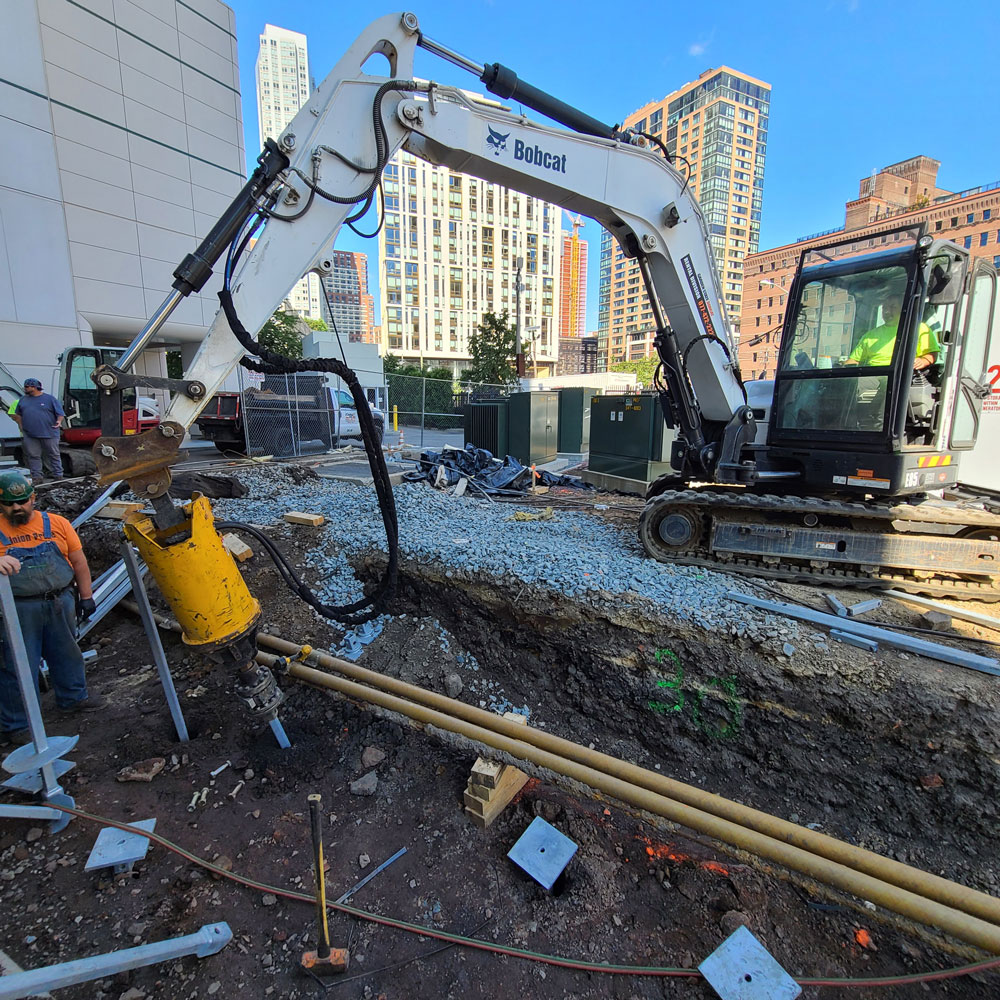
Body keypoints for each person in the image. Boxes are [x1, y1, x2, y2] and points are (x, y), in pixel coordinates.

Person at [0, 471, 100, 746]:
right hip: (17, 609)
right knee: (18, 665)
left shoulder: (56, 524)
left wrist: (86, 597)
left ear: (33, 498)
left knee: (67, 653)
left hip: (59, 601)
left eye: (22, 501)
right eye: (9, 503)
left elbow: (79, 562)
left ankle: (73, 698)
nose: (17, 507)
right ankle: (17, 724)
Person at [844, 289, 941, 371]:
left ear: (904, 309)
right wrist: (842, 368)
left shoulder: (919, 328)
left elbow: (932, 354)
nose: (886, 311)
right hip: (873, 376)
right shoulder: (870, 335)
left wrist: (923, 361)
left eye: (892, 307)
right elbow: (854, 360)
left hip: (902, 376)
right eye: (884, 308)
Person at [11, 377, 65, 482]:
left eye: (27, 387)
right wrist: (21, 426)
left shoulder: (50, 399)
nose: (25, 389)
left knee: (53, 455)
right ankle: (37, 477)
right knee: (33, 455)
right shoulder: (23, 400)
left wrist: (58, 421)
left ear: (34, 387)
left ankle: (58, 476)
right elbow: (18, 415)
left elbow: (60, 413)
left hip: (49, 433)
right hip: (30, 434)